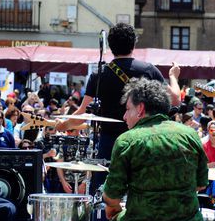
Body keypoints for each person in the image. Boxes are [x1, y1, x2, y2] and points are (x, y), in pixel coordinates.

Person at [94, 78, 208, 221]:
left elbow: (111, 196)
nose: (124, 116)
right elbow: (201, 185)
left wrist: (113, 209)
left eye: (128, 109)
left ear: (140, 109)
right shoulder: (190, 135)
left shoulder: (127, 140)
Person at [56, 24, 181, 181]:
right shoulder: (148, 70)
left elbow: (81, 113)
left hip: (109, 144)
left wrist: (62, 125)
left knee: (104, 193)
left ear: (110, 45)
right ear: (134, 44)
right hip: (141, 141)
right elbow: (176, 99)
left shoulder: (99, 75)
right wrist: (173, 76)